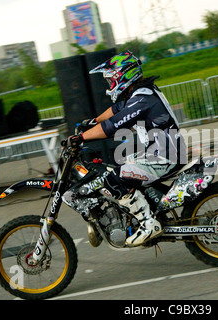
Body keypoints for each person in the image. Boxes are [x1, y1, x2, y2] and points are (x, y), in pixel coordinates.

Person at [63, 50, 186, 246]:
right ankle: (143, 212)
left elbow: (114, 124)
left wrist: (81, 138)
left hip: (164, 157)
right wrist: (92, 121)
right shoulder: (140, 93)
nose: (110, 84)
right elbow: (118, 109)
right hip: (159, 152)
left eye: (111, 79)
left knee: (113, 179)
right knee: (117, 166)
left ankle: (148, 223)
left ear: (123, 76)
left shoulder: (142, 99)